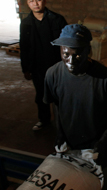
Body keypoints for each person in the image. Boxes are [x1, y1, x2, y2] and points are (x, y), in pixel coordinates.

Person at [44, 24, 107, 190]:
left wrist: (103, 140)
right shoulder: (53, 74)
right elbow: (56, 105)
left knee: (102, 187)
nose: (71, 61)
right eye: (66, 54)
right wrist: (60, 133)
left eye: (77, 54)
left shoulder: (106, 78)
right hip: (69, 144)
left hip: (97, 146)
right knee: (73, 186)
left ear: (89, 50)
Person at [20, 0, 67, 131]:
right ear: (27, 3)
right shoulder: (26, 23)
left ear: (44, 1)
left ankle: (63, 123)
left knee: (59, 95)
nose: (35, 3)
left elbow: (66, 44)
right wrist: (26, 68)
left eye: (38, 0)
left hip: (56, 65)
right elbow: (24, 47)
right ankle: (44, 120)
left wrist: (67, 66)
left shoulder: (57, 19)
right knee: (41, 95)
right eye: (31, 1)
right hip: (37, 66)